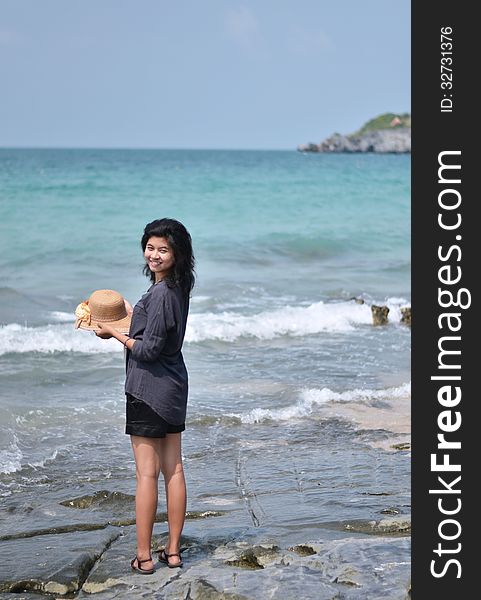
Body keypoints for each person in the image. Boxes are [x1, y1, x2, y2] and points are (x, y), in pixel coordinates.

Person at [95, 218, 195, 574]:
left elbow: (148, 349)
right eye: (150, 247)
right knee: (175, 470)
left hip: (147, 389)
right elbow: (158, 329)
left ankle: (144, 557)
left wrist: (113, 333)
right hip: (173, 388)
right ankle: (173, 552)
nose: (154, 255)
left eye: (162, 249)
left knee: (147, 476)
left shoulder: (162, 293)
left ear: (177, 253)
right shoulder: (178, 288)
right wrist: (129, 313)